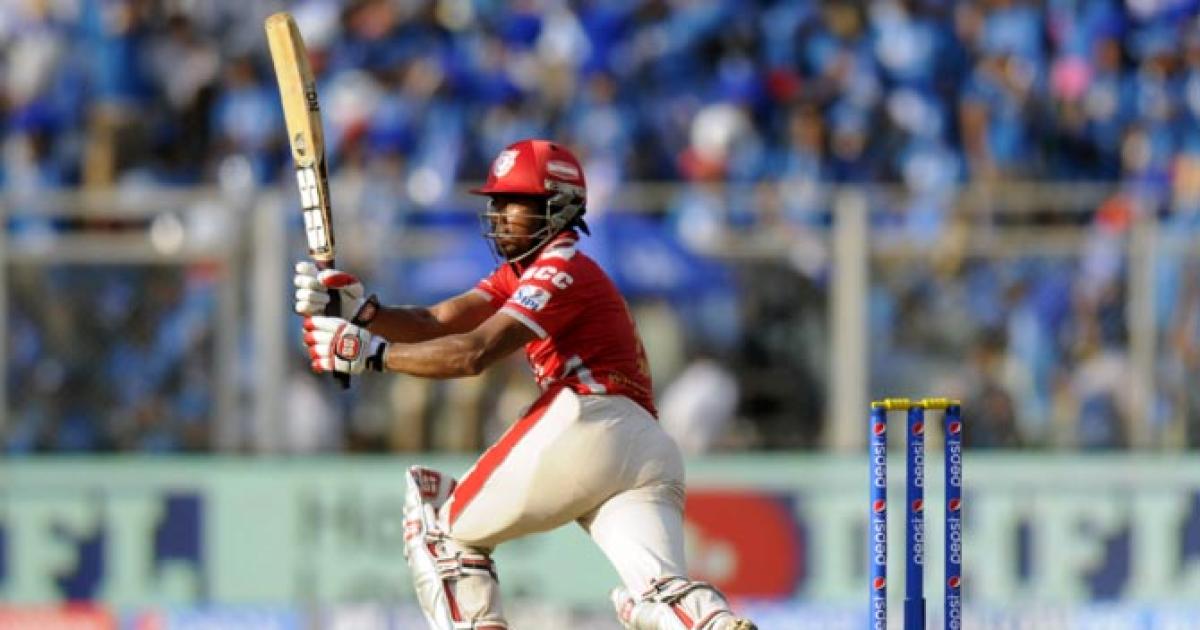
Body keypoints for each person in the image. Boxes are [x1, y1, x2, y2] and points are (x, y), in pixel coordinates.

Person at [293, 139, 756, 630]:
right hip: (646, 449)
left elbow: (473, 354)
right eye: (496, 201)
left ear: (557, 206)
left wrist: (372, 355)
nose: (498, 213)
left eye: (513, 201)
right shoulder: (525, 272)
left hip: (589, 419)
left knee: (439, 529)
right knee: (663, 596)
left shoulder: (558, 267)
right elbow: (436, 320)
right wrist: (365, 313)